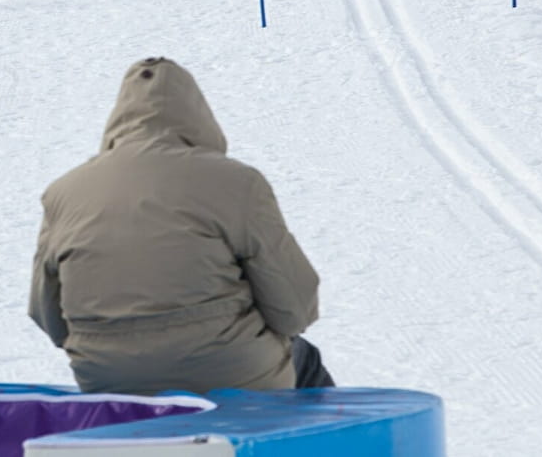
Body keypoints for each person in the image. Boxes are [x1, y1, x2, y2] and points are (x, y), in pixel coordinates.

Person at [28, 57, 333, 396]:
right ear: (199, 117)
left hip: (108, 379)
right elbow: (293, 307)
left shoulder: (63, 192)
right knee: (305, 361)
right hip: (231, 373)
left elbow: (47, 316)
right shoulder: (236, 183)